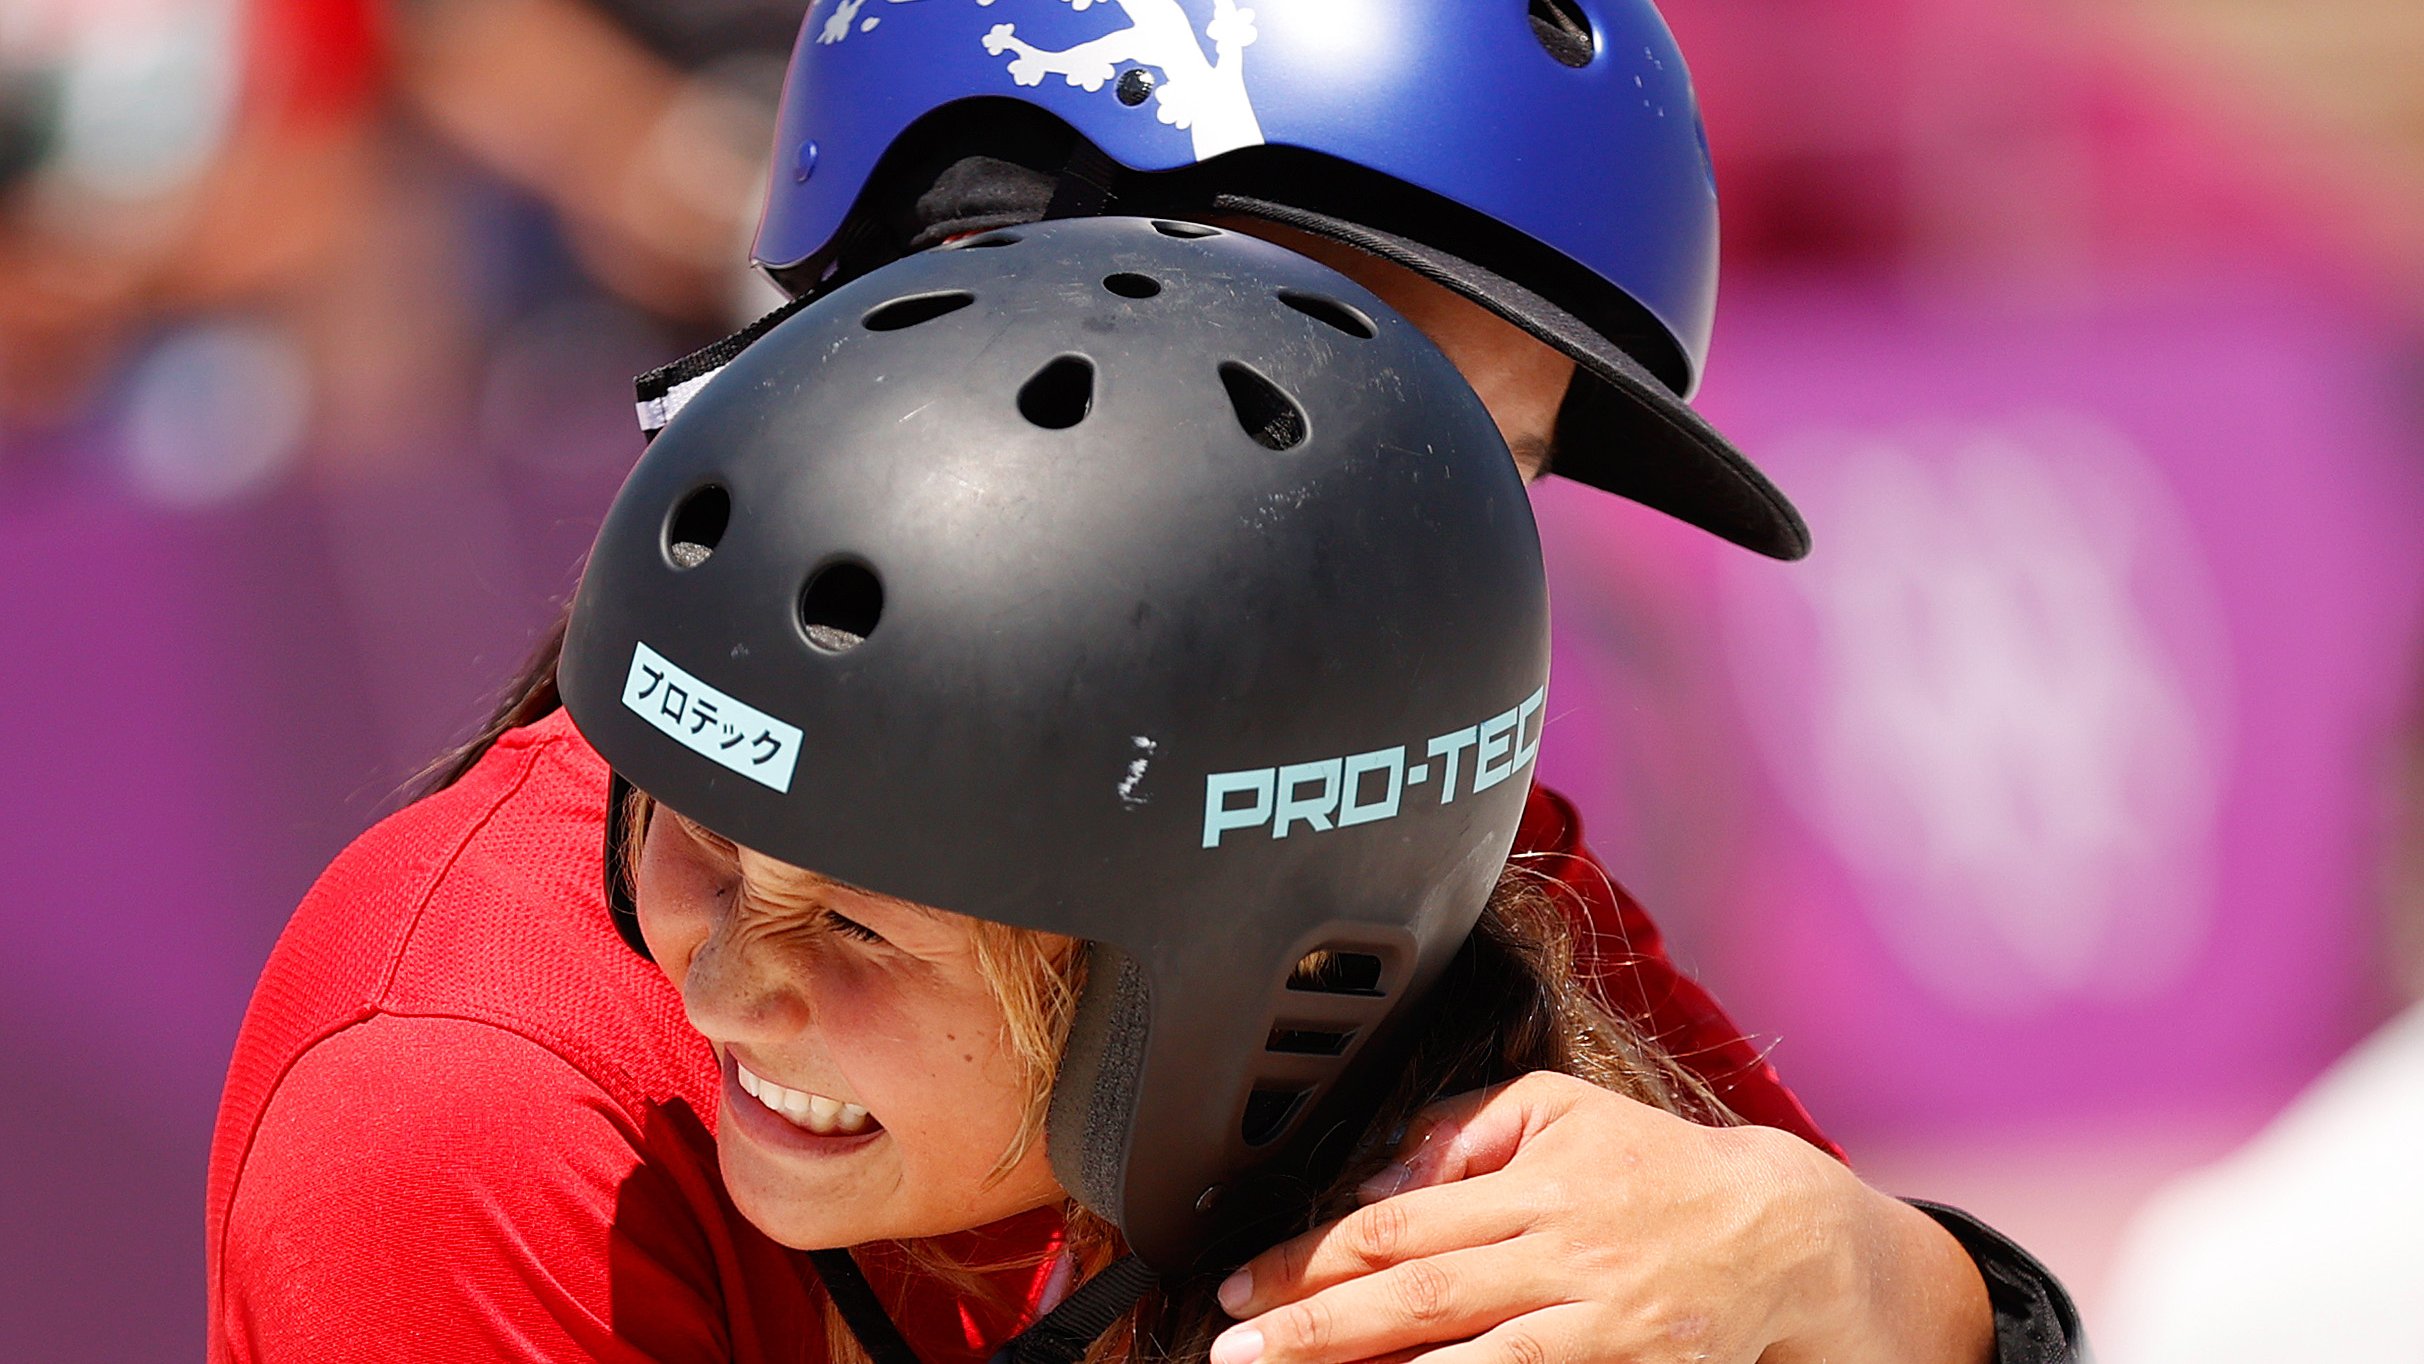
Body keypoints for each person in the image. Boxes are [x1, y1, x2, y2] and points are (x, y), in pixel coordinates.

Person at [209, 2, 2083, 1359]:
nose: (1420, 569)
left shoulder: (1343, 834)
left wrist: (1879, 1285)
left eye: (1487, 478)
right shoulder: (478, 1084)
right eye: (1356, 412)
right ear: (977, 275)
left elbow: (1821, 1286)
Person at [548, 216, 1953, 1364]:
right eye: (705, 849)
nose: (722, 989)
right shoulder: (503, 1088)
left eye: (854, 927)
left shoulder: (1497, 1235)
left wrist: (1876, 1275)